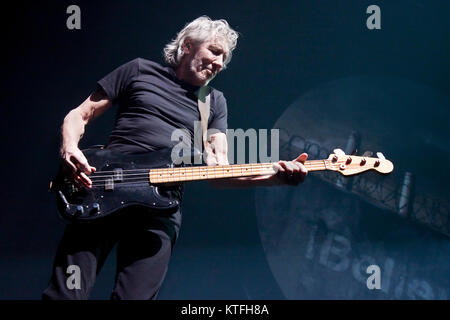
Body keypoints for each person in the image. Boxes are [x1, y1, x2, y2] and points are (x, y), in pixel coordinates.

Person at [42, 16, 308, 300]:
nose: (219, 63)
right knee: (65, 293)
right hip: (102, 187)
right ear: (188, 46)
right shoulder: (138, 70)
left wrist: (275, 177)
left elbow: (219, 171)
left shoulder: (214, 102)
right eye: (215, 51)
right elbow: (80, 114)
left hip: (160, 206)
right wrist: (70, 147)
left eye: (225, 58)